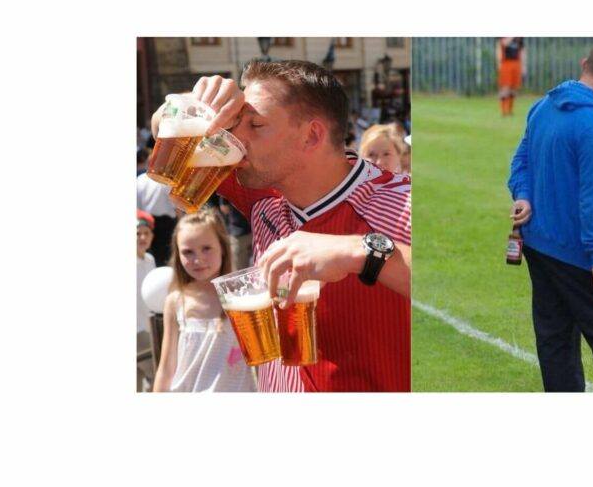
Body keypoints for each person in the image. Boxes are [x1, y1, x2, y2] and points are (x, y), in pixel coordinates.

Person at [192, 59, 412, 392]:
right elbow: (165, 126)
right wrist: (198, 102)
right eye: (236, 123)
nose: (236, 138)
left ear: (311, 136)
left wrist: (360, 251)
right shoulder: (262, 188)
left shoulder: (401, 201)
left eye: (255, 125)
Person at [507, 38, 593, 392]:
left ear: (584, 63)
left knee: (555, 343)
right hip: (580, 255)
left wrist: (523, 196)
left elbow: (520, 163)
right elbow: (592, 200)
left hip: (538, 246)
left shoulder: (542, 106)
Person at [152, 208, 257, 392]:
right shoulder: (176, 301)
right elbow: (167, 367)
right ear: (178, 255)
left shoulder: (242, 295)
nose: (198, 259)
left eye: (206, 248)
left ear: (223, 248)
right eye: (188, 252)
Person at [136, 171, 176, 266]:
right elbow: (175, 205)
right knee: (159, 256)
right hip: (152, 223)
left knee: (149, 254)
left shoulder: (140, 179)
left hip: (147, 222)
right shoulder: (165, 178)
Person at [136, 210, 157, 391]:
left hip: (149, 327)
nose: (142, 237)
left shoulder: (150, 259)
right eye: (137, 233)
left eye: (146, 233)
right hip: (137, 330)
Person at [496, 37, 526, 116]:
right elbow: (503, 44)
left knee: (514, 88)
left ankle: (510, 110)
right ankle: (503, 111)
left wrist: (523, 66)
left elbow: (522, 50)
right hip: (505, 63)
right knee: (505, 87)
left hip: (516, 63)